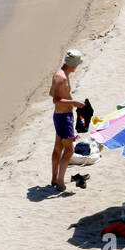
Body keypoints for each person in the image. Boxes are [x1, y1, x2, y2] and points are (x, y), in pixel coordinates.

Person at [49, 49, 86, 191]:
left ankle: (54, 178)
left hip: (60, 116)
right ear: (73, 64)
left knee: (58, 148)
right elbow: (55, 100)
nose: (77, 67)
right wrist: (74, 102)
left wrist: (73, 102)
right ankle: (60, 182)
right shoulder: (62, 78)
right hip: (63, 118)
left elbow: (52, 93)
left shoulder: (61, 74)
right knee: (69, 150)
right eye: (77, 64)